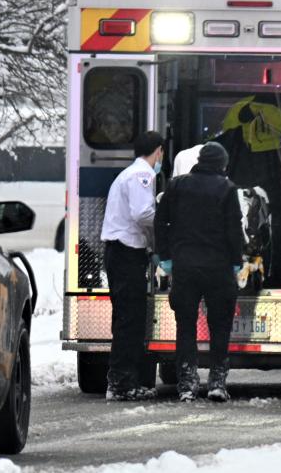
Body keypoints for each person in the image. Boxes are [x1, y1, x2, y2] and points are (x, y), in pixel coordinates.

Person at [154, 142, 243, 402]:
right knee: (220, 326)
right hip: (219, 268)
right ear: (221, 164)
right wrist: (236, 262)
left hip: (185, 267)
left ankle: (187, 383)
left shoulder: (177, 185)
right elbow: (233, 229)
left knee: (185, 326)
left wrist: (166, 257)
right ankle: (217, 381)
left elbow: (161, 221)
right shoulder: (227, 189)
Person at [100, 130, 165, 401]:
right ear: (158, 151)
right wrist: (167, 220)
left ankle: (121, 380)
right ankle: (122, 383)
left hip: (119, 253)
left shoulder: (127, 174)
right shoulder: (143, 176)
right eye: (162, 152)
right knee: (130, 321)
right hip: (127, 254)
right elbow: (142, 214)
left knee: (124, 319)